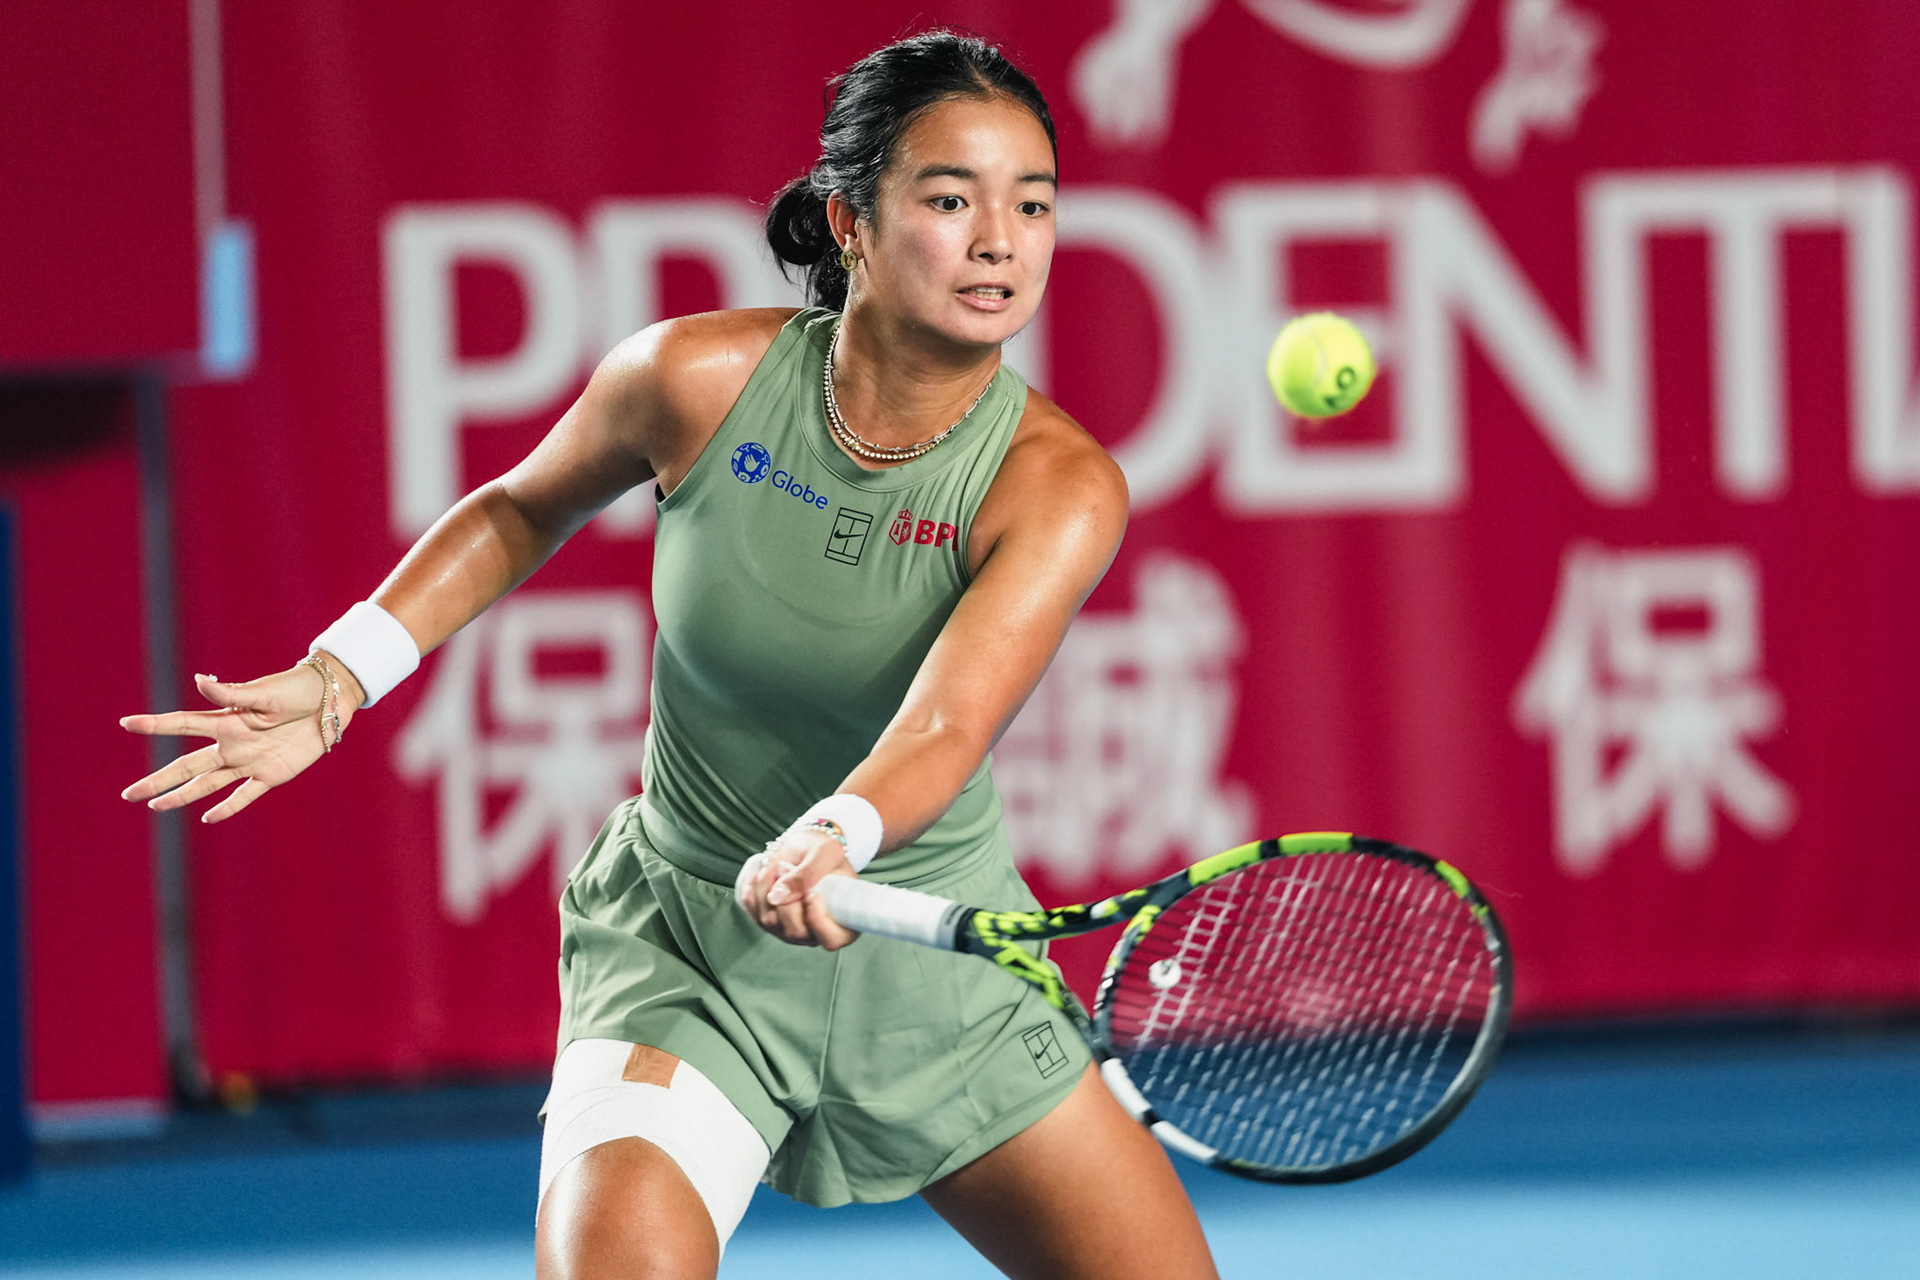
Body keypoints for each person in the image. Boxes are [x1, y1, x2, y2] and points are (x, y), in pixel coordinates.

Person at [120, 31, 1218, 1280]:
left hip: (931, 969)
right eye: (951, 198)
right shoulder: (690, 378)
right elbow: (516, 508)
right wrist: (343, 671)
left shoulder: (1058, 483)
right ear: (846, 221)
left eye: (1034, 204)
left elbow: (942, 726)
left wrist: (837, 835)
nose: (1001, 242)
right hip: (687, 951)